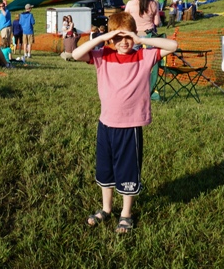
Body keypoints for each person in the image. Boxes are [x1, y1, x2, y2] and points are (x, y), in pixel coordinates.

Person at [72, 12, 178, 234]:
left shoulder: (144, 56)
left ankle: (126, 214)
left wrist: (140, 39)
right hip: (106, 124)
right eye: (118, 37)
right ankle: (106, 209)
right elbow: (75, 54)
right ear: (111, 38)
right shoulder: (103, 55)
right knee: (106, 170)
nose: (123, 42)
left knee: (128, 171)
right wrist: (103, 38)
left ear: (134, 34)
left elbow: (173, 45)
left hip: (129, 127)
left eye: (127, 36)